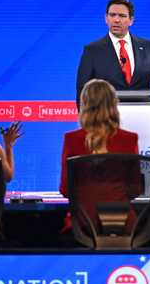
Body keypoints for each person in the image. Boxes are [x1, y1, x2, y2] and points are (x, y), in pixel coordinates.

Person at [59, 79, 140, 233]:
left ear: (84, 106)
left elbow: (65, 189)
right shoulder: (129, 139)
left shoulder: (72, 139)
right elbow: (135, 189)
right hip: (122, 225)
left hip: (83, 226)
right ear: (114, 105)